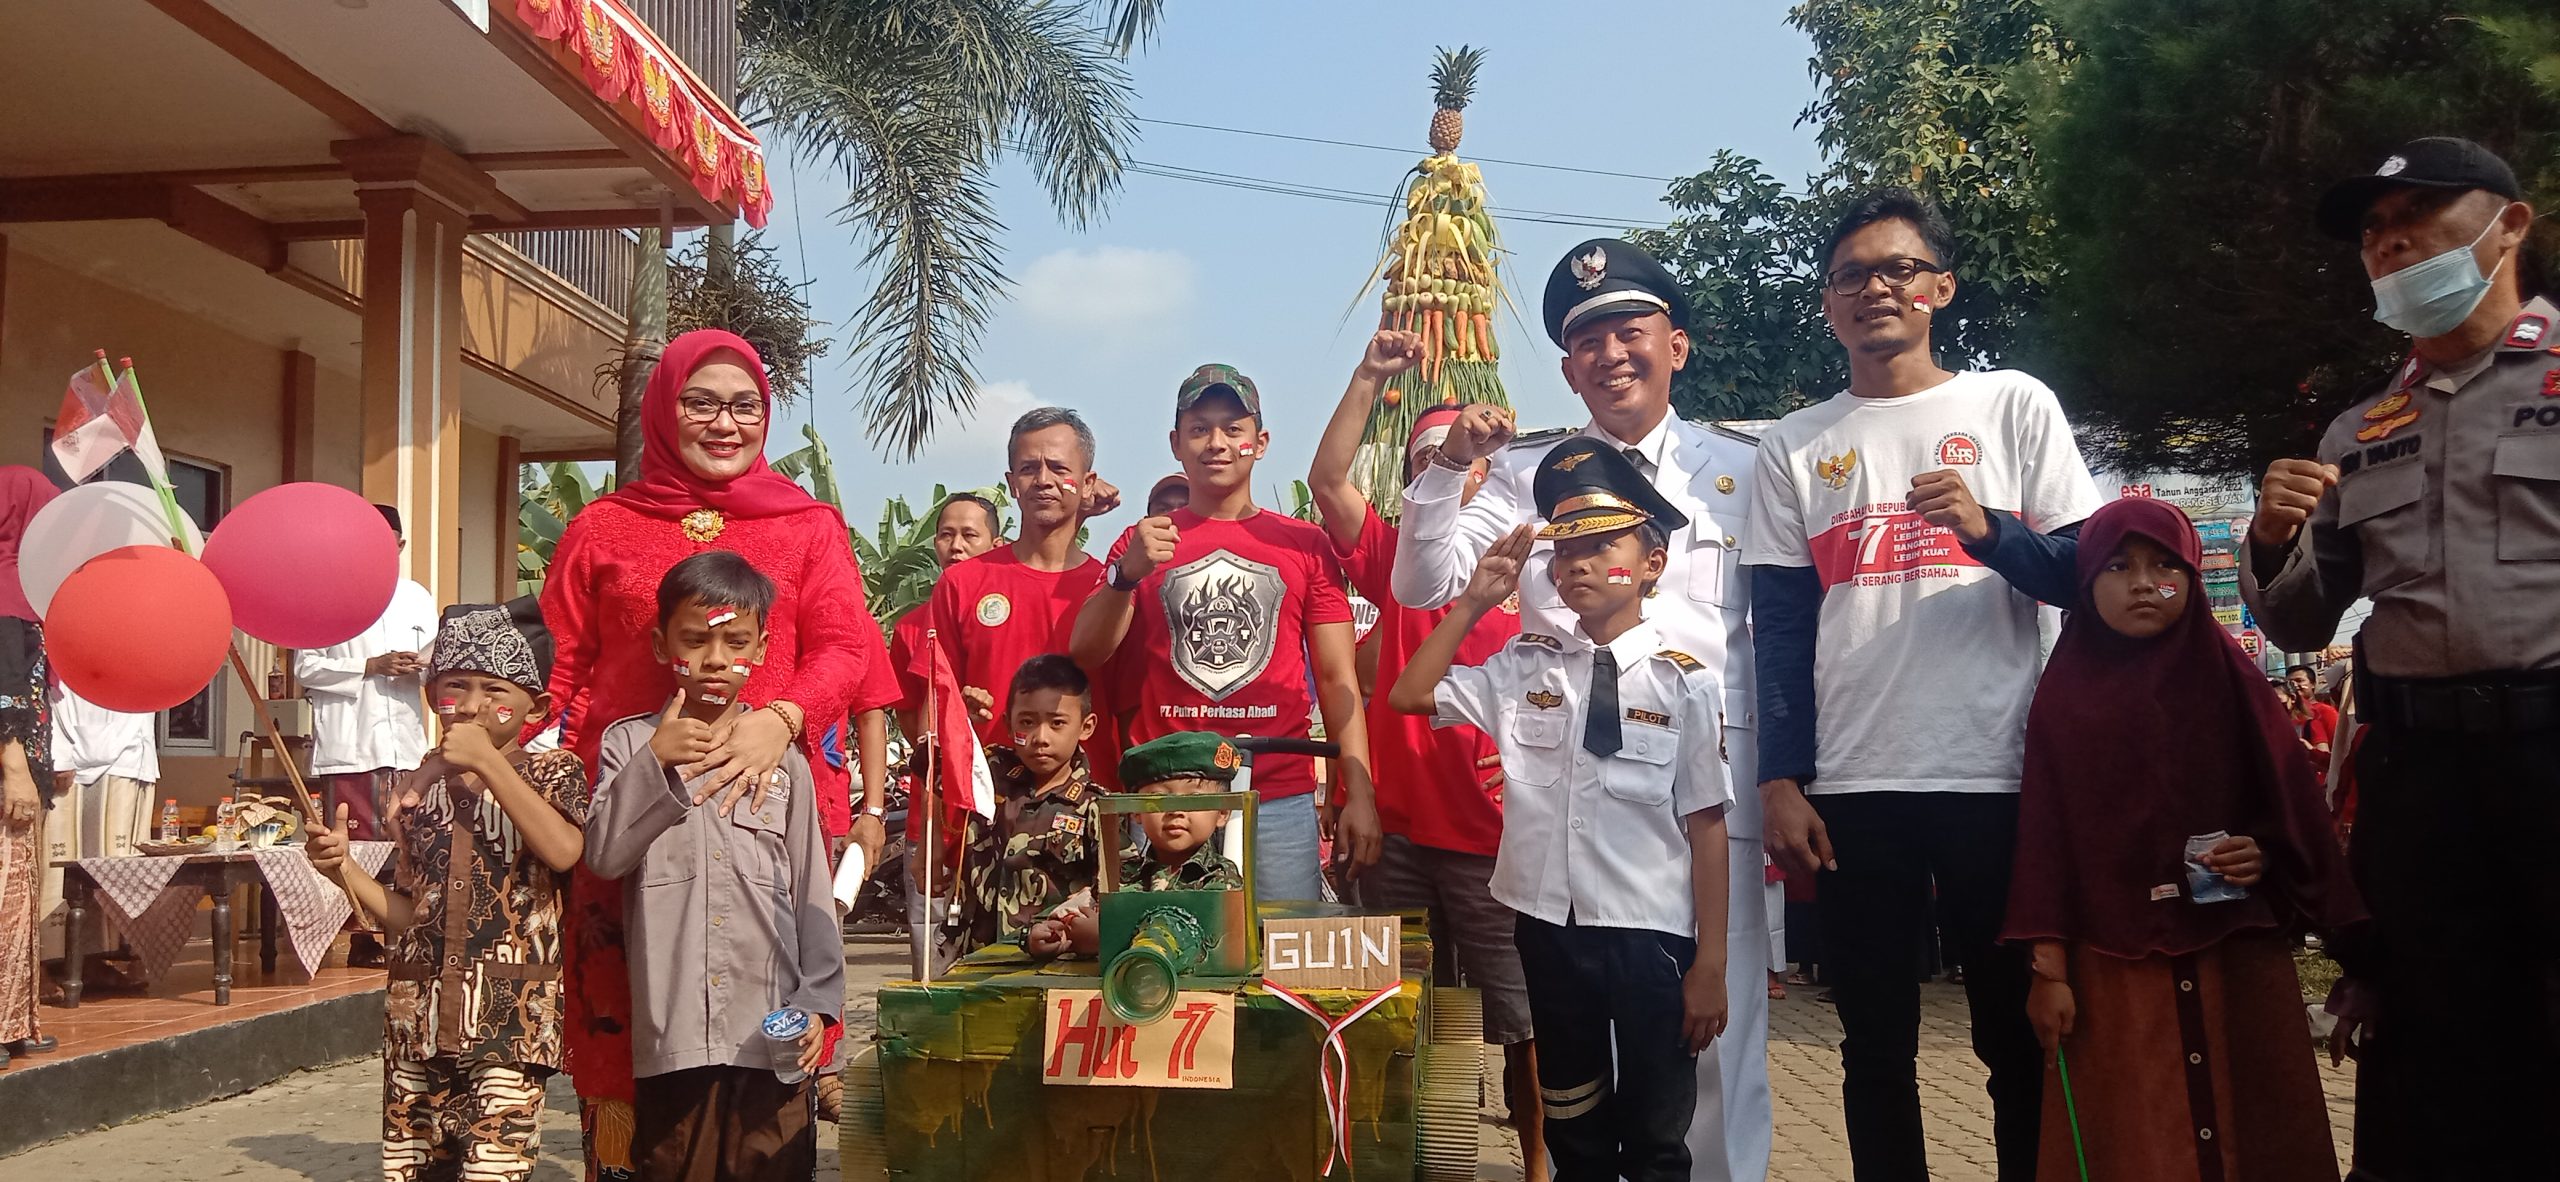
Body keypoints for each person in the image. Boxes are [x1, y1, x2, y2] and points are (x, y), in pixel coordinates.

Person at [1393, 238, 1772, 1180]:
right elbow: (1420, 580)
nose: (1611, 354)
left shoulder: (1745, 469)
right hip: (1572, 816)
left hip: (1705, 798)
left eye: (1630, 330)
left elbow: (1786, 635)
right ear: (1567, 367)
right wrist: (1446, 470)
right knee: (1582, 1081)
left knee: (1719, 1051)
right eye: (1588, 340)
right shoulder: (1529, 477)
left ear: (1675, 345)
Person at [1744, 188, 2100, 1181]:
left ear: (1940, 287)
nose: (1875, 288)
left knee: (2016, 1036)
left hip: (2000, 776)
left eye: (1898, 269)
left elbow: (2084, 576)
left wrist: (1992, 533)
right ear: (1827, 303)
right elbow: (1778, 629)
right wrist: (1782, 777)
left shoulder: (2010, 405)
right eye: (1850, 274)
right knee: (1873, 1051)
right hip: (1855, 787)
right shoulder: (1794, 444)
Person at [2243, 135, 2557, 1180]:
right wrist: (2269, 542)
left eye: (2413, 219)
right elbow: (2295, 626)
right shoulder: (2355, 432)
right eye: (2373, 234)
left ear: (2509, 225)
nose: (2388, 245)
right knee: (2428, 1047)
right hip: (2421, 781)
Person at [539, 328, 888, 1179]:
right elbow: (561, 667)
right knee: (635, 1032)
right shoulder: (603, 525)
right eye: (701, 401)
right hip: (627, 806)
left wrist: (784, 715)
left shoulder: (811, 527)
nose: (724, 422)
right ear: (664, 409)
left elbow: (849, 650)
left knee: (769, 1023)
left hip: (769, 800)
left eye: (745, 405)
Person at [2005, 497, 2360, 1180]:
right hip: (2111, 963)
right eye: (2119, 564)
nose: (2144, 582)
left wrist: (2265, 851)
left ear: (2194, 578)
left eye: (2166, 564)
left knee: (2255, 1124)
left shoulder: (2232, 680)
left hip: (2235, 952)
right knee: (2137, 1134)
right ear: (2086, 582)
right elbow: (2046, 839)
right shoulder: (2065, 700)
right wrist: (2048, 970)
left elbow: (2288, 803)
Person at [1307, 330, 1542, 1176]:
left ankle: (1539, 1160)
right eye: (1430, 455)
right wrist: (1369, 376)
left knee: (1522, 1021)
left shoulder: (1536, 563)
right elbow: (1328, 482)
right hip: (1397, 830)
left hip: (1496, 836)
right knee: (1388, 1010)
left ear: (1493, 467)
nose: (1448, 463)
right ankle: (1396, 1157)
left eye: (1466, 452)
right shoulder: (1395, 558)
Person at [1069, 364, 1381, 902]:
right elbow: (1086, 652)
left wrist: (1360, 792)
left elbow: (1337, 677)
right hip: (1167, 794)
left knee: (1280, 960)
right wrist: (1128, 575)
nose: (1216, 442)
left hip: (1276, 792)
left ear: (1259, 443)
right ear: (1176, 444)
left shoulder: (1306, 545)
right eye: (1199, 428)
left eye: (1232, 429)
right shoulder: (1140, 541)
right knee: (1167, 961)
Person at [305, 597, 588, 1182]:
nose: (475, 706)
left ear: (534, 706)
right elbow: (409, 914)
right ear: (434, 696)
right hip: (417, 1020)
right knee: (416, 1171)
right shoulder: (414, 796)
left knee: (494, 1170)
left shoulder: (552, 772)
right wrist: (344, 871)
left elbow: (563, 851)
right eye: (456, 686)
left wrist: (488, 764)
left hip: (510, 1021)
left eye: (496, 691)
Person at [583, 553, 842, 1182]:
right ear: (660, 642)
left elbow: (812, 893)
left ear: (762, 646)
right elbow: (605, 855)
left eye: (736, 641)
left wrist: (818, 1005)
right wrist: (656, 764)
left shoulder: (786, 764)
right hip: (675, 1037)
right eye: (695, 641)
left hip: (772, 1035)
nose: (716, 659)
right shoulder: (628, 745)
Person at [297, 503, 438, 965]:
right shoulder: (326, 595)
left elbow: (438, 664)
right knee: (353, 841)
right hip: (352, 744)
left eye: (390, 544)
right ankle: (360, 936)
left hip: (406, 741)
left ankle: (403, 929)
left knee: (404, 839)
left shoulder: (416, 597)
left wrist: (418, 667)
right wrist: (369, 666)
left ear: (400, 546)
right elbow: (307, 667)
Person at [873, 491, 1002, 972]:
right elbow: (909, 717)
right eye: (946, 534)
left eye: (971, 535)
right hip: (935, 810)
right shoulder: (911, 628)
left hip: (1003, 802)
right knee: (936, 957)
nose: (956, 545)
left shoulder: (1004, 612)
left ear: (997, 542)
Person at [956, 655, 1104, 954]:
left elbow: (1113, 892)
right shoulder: (989, 775)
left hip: (1053, 963)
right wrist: (960, 721)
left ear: (1086, 726)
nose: (1040, 738)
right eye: (1027, 722)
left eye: (1057, 723)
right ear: (1008, 725)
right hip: (978, 954)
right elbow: (928, 765)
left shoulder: (1095, 807)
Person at [0, 468, 58, 1071]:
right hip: (6, 774)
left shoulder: (23, 589)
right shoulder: (5, 592)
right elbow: (3, 693)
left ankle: (16, 1022)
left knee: (19, 901)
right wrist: (15, 766)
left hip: (24, 768)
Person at [42, 683, 157, 966]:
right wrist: (57, 750)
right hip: (72, 748)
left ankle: (99, 961)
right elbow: (47, 681)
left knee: (117, 868)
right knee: (60, 868)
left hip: (129, 755)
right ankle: (49, 961)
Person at [1112, 732, 1249, 893]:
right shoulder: (1120, 875)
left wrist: (1110, 919)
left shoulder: (1221, 877)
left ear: (1223, 813)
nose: (1176, 811)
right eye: (1160, 798)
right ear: (1136, 812)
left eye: (1192, 798)